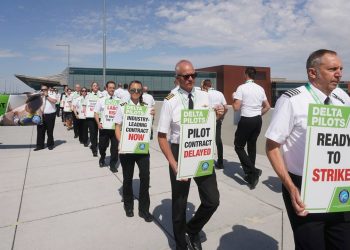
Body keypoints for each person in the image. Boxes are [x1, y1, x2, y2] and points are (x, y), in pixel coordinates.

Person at [265, 49, 350, 250]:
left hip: (338, 185)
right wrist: (290, 186)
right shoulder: (292, 100)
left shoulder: (343, 98)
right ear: (313, 73)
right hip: (303, 187)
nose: (339, 73)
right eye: (332, 69)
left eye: (340, 69)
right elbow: (272, 146)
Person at [157, 59, 224, 250]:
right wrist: (173, 163)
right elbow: (162, 136)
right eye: (186, 76)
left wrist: (219, 115)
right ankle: (180, 243)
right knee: (179, 203)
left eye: (194, 75)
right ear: (177, 78)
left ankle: (192, 229)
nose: (191, 79)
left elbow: (210, 121)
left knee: (212, 200)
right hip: (179, 152)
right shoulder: (170, 101)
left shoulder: (204, 96)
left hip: (201, 151)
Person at [114, 80, 154, 222]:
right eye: (133, 90)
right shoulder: (123, 106)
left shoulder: (146, 107)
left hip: (142, 149)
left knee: (145, 177)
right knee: (128, 178)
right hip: (127, 149)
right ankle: (128, 206)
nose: (136, 92)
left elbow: (148, 127)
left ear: (141, 91)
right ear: (129, 91)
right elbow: (117, 127)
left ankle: (144, 209)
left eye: (138, 90)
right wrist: (121, 143)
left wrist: (152, 116)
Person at [232, 67, 270, 189]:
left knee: (238, 146)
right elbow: (267, 106)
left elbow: (236, 108)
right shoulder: (260, 88)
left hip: (246, 119)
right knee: (251, 145)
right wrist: (258, 114)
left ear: (246, 74)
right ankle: (252, 174)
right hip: (257, 120)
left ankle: (252, 172)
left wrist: (234, 98)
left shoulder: (241, 88)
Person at [94, 81, 121, 172]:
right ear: (106, 88)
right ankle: (102, 157)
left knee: (114, 148)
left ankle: (113, 164)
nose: (112, 89)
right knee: (102, 146)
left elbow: (125, 110)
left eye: (113, 87)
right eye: (110, 87)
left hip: (115, 129)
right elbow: (96, 113)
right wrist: (98, 123)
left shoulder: (119, 100)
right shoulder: (101, 100)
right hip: (104, 128)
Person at [201, 79, 228, 169]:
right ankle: (220, 162)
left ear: (205, 86)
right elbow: (226, 107)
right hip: (217, 119)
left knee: (206, 141)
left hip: (206, 120)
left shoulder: (204, 94)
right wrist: (222, 116)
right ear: (211, 85)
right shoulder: (219, 93)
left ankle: (205, 162)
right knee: (218, 140)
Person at [34, 84, 57, 151]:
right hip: (41, 115)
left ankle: (50, 144)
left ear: (48, 89)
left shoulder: (52, 94)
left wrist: (46, 96)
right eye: (42, 90)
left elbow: (54, 101)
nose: (43, 91)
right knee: (40, 131)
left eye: (45, 89)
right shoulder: (39, 95)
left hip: (50, 115)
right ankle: (40, 146)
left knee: (50, 131)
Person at [85, 82, 103, 157]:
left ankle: (102, 147)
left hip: (100, 117)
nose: (95, 86)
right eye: (94, 85)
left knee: (101, 133)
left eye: (96, 85)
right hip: (91, 117)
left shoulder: (102, 95)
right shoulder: (88, 95)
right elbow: (85, 106)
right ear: (91, 87)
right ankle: (94, 149)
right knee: (93, 133)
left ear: (98, 87)